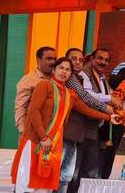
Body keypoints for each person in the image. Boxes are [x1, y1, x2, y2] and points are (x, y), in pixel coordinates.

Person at [10, 57, 119, 193]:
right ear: (54, 70)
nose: (64, 72)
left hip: (54, 144)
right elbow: (33, 111)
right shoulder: (44, 85)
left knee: (45, 185)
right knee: (28, 183)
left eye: (68, 70)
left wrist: (109, 117)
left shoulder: (70, 94)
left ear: (71, 75)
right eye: (61, 68)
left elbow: (86, 109)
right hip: (36, 140)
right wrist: (43, 138)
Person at [57, 48, 113, 193]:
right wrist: (107, 111)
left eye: (80, 60)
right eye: (73, 59)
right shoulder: (69, 79)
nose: (77, 62)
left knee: (77, 174)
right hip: (70, 132)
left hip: (85, 131)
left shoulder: (81, 77)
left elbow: (82, 104)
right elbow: (85, 99)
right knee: (67, 175)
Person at [15, 47, 56, 135]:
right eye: (49, 59)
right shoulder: (28, 80)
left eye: (54, 59)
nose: (53, 62)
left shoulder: (57, 78)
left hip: (53, 133)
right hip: (32, 134)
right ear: (38, 60)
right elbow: (20, 107)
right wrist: (24, 131)